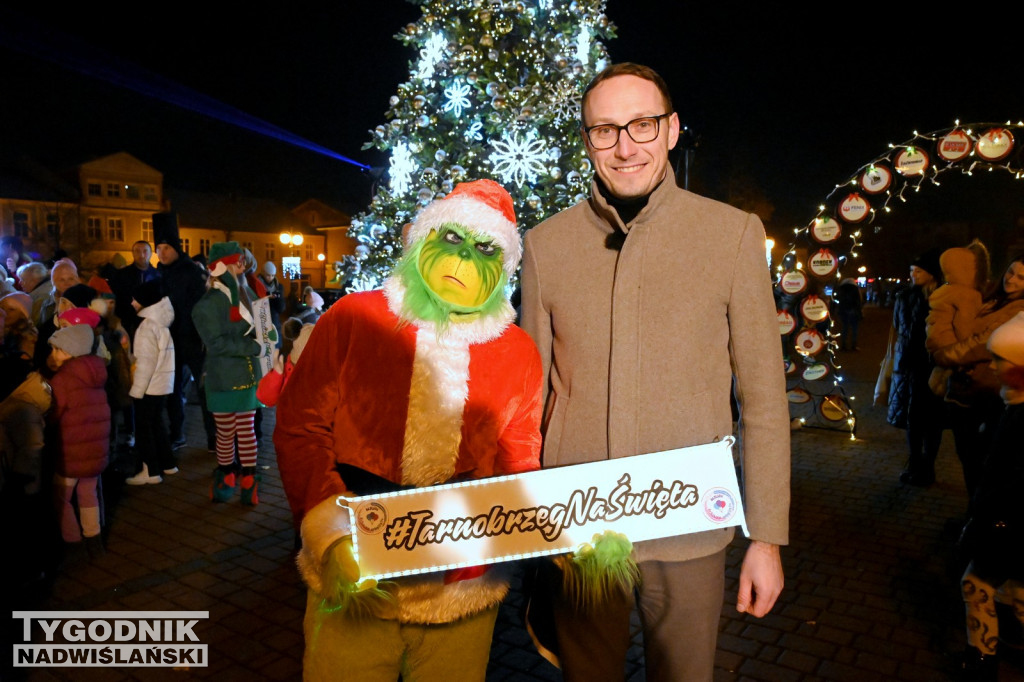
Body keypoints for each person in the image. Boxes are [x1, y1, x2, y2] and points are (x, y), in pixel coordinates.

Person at [519, 62, 790, 681]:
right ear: (587, 140)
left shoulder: (731, 234)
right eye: (605, 130)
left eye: (642, 124)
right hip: (579, 524)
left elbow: (765, 401)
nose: (624, 146)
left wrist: (766, 539)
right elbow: (528, 400)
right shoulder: (546, 244)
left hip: (691, 523)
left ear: (671, 130)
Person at [275, 179, 543, 681]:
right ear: (420, 240)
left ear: (503, 266)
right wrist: (331, 536)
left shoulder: (517, 351)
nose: (464, 260)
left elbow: (518, 460)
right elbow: (300, 428)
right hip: (354, 568)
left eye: (485, 247)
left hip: (461, 579)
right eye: (452, 238)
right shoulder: (355, 318)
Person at [957, 312, 1024, 681]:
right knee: (1016, 586)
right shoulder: (1010, 401)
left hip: (1008, 524)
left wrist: (986, 519)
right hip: (1012, 525)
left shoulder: (1019, 411)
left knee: (976, 584)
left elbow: (1009, 479)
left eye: (1001, 360)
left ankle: (980, 661)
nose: (993, 366)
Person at [927, 253, 1024, 503]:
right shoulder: (994, 299)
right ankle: (974, 513)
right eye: (1011, 272)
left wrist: (943, 356)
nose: (1011, 279)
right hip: (965, 391)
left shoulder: (1018, 310)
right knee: (970, 461)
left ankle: (979, 520)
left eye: (1021, 277)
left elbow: (980, 343)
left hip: (987, 395)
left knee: (981, 463)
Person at [191, 242, 264, 505]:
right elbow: (216, 343)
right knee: (225, 431)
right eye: (237, 262)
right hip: (222, 376)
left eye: (243, 262)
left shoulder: (247, 294)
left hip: (246, 375)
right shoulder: (207, 305)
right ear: (221, 266)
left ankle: (247, 481)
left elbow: (262, 326)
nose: (242, 267)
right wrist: (253, 346)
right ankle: (227, 478)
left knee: (245, 430)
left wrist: (269, 336)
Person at [46, 323, 110, 554]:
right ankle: (93, 537)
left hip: (70, 453)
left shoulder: (63, 380)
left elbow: (53, 414)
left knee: (60, 495)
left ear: (69, 352)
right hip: (95, 451)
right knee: (88, 493)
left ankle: (71, 539)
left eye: (56, 349)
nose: (52, 355)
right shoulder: (97, 374)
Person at [153, 212, 213, 452]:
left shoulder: (191, 271)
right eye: (158, 248)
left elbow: (201, 306)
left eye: (166, 247)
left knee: (204, 389)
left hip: (193, 340)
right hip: (170, 341)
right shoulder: (159, 273)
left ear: (176, 248)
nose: (162, 253)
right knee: (172, 390)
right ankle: (177, 434)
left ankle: (213, 438)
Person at [887, 249, 946, 486]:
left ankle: (929, 466)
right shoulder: (904, 296)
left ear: (932, 274)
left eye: (919, 271)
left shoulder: (942, 297)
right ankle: (914, 461)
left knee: (933, 421)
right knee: (912, 418)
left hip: (933, 367)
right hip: (909, 366)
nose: (914, 275)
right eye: (912, 270)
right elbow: (897, 329)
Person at [125, 279, 176, 486]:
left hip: (149, 386)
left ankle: (150, 469)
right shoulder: (161, 323)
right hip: (162, 384)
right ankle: (167, 463)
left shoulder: (147, 327)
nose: (132, 303)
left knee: (144, 428)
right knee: (157, 423)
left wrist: (136, 390)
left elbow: (145, 362)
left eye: (135, 299)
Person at [110, 240, 160, 343]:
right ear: (133, 253)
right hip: (128, 323)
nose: (141, 255)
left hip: (152, 323)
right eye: (137, 251)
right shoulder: (122, 275)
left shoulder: (158, 276)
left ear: (151, 253)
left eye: (145, 251)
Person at [258, 261, 284, 346]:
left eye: (273, 275)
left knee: (276, 349)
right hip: (261, 321)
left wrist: (277, 298)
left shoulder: (278, 287)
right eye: (268, 275)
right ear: (263, 273)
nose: (270, 278)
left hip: (274, 323)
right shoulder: (257, 285)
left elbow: (282, 308)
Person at [835, 278, 863, 351]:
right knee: (854, 329)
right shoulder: (855, 289)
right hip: (854, 311)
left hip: (843, 311)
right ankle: (853, 345)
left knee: (845, 328)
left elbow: (837, 300)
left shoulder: (841, 290)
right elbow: (859, 300)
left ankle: (843, 345)